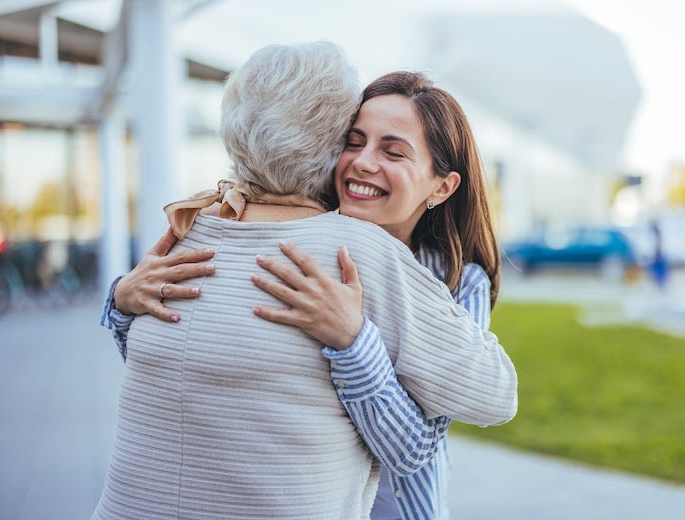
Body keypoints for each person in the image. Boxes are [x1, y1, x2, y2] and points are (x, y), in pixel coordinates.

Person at [95, 42, 517, 520]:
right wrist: (122, 302)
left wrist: (354, 342)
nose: (361, 161)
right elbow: (191, 369)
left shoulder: (450, 276)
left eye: (393, 151)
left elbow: (416, 450)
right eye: (352, 142)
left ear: (442, 186)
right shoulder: (292, 238)